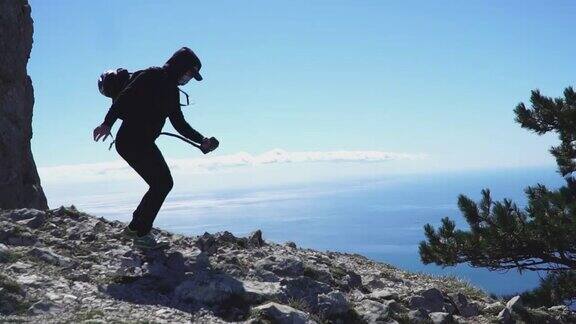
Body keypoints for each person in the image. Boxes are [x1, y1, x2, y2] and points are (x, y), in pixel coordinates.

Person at [93, 47, 219, 249]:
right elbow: (124, 98)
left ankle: (136, 229)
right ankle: (139, 233)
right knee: (162, 183)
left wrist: (201, 139)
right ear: (180, 67)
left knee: (162, 183)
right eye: (188, 73)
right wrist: (107, 123)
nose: (188, 79)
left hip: (141, 143)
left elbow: (179, 124)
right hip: (130, 141)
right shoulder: (153, 75)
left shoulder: (171, 91)